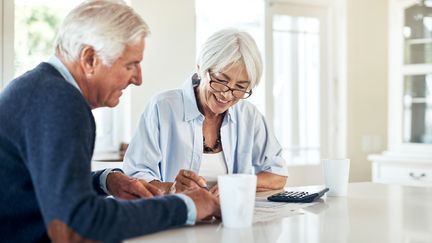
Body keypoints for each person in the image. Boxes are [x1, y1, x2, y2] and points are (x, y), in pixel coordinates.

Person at [0, 1, 219, 242]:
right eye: (130, 65)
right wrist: (185, 206)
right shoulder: (60, 102)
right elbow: (77, 225)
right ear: (90, 59)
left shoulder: (39, 88)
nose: (138, 79)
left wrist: (105, 180)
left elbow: (46, 186)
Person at [123, 28, 288, 194]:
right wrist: (172, 188)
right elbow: (135, 176)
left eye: (240, 87)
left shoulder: (248, 115)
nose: (226, 94)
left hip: (232, 215)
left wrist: (236, 185)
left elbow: (278, 174)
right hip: (176, 214)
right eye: (221, 80)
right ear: (201, 68)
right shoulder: (162, 108)